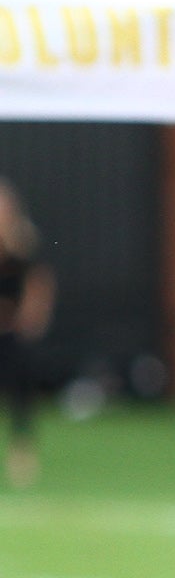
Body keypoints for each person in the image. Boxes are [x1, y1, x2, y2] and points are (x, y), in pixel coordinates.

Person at [0, 178, 55, 489]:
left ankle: (21, 453)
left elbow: (39, 282)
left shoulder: (23, 243)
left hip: (10, 331)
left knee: (20, 387)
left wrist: (31, 318)